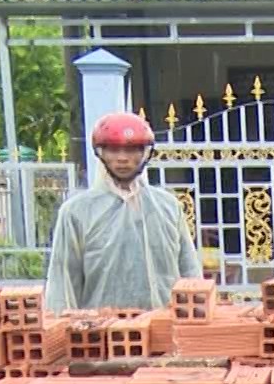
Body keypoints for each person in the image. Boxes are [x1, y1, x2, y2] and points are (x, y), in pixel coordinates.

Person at [45, 112, 202, 312]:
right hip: (102, 334)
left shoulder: (168, 206)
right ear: (100, 153)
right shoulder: (76, 212)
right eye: (113, 149)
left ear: (146, 153)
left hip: (164, 330)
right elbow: (63, 281)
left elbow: (190, 272)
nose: (122, 159)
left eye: (131, 150)